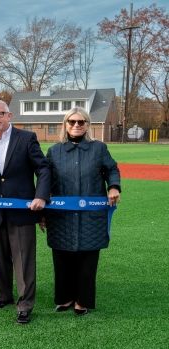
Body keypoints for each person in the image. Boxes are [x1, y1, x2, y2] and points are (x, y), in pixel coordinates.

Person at [0, 99, 50, 324]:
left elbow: (44, 168)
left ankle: (25, 304)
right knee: (0, 257)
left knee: (23, 259)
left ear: (9, 116)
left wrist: (41, 196)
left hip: (22, 210)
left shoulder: (26, 138)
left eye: (0, 114)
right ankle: (4, 296)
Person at [43, 107, 121, 316]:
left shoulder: (99, 149)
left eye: (81, 122)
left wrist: (113, 187)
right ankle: (65, 297)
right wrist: (41, 212)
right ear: (65, 124)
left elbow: (112, 169)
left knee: (87, 259)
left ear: (87, 125)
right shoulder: (54, 151)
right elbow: (45, 181)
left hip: (90, 216)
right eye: (72, 122)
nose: (76, 125)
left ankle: (83, 300)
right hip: (61, 216)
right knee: (62, 258)